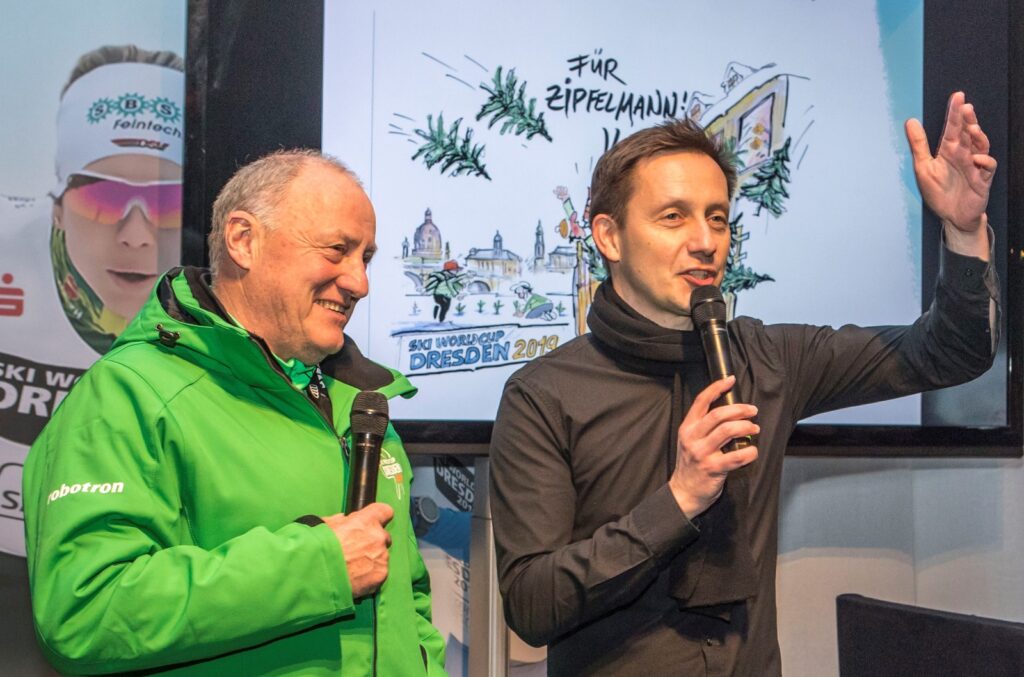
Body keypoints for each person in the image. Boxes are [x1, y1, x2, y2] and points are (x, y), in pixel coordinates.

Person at [489, 92, 998, 675]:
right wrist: (678, 500)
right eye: (673, 216)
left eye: (718, 217)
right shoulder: (544, 394)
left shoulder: (767, 358)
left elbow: (950, 353)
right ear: (608, 237)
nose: (706, 241)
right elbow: (531, 605)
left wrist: (964, 232)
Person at [23, 150, 447, 675]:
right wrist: (318, 567)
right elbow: (84, 610)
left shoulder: (358, 402)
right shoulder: (130, 394)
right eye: (338, 251)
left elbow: (409, 603)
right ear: (243, 240)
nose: (360, 282)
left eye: (366, 258)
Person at [0, 44, 184, 554]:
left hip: (138, 571)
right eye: (103, 197)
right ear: (57, 208)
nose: (136, 235)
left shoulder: (230, 290)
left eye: (167, 201)